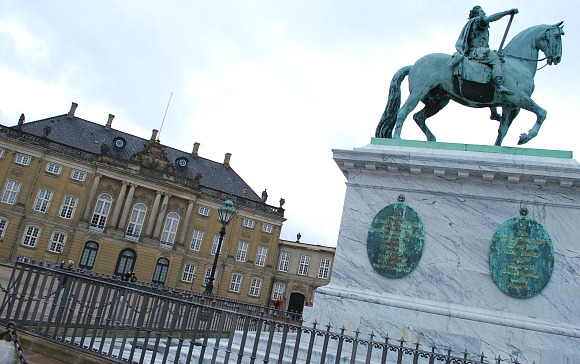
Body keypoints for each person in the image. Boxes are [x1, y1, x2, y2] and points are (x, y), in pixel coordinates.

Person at [454, 6, 518, 94]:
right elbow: (491, 18)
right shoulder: (478, 21)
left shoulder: (473, 23)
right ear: (476, 13)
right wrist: (507, 12)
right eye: (482, 11)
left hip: (478, 50)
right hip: (478, 51)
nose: (484, 13)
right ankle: (499, 85)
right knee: (496, 61)